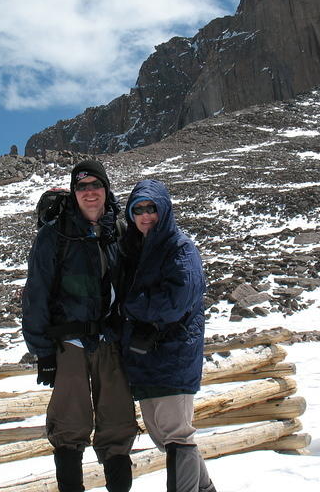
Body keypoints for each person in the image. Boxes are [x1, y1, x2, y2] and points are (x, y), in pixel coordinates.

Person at [22, 160, 138, 492]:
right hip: (68, 342)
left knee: (117, 425)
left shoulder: (118, 230)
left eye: (95, 186)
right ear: (74, 193)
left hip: (109, 340)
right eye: (82, 187)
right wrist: (43, 353)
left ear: (106, 189)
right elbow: (36, 294)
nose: (90, 193)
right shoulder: (54, 235)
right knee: (70, 427)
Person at [118, 179, 216, 492]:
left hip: (173, 354)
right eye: (139, 209)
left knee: (176, 436)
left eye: (152, 208)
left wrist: (131, 306)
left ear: (164, 210)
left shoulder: (179, 247)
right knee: (165, 436)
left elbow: (178, 298)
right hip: (147, 359)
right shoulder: (135, 249)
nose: (146, 215)